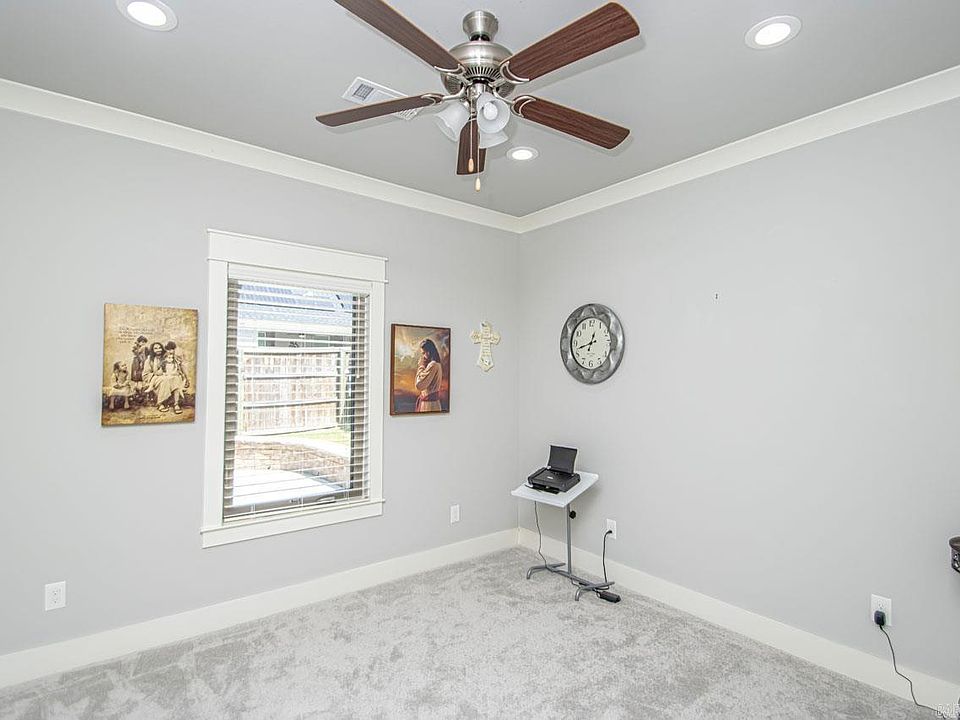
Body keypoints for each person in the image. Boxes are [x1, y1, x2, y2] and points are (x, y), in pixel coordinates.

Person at [151, 341, 190, 414]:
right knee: (166, 381)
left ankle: (176, 404)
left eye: (172, 349)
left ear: (174, 349)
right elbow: (158, 370)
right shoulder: (164, 358)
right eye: (168, 350)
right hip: (164, 376)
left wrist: (185, 376)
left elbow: (181, 367)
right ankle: (161, 403)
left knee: (177, 379)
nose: (170, 351)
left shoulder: (176, 358)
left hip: (174, 376)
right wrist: (163, 372)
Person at [414, 338, 443, 412]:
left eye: (424, 353)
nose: (423, 356)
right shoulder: (436, 364)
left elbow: (419, 385)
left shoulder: (433, 365)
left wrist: (421, 366)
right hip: (432, 404)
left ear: (429, 352)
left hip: (429, 405)